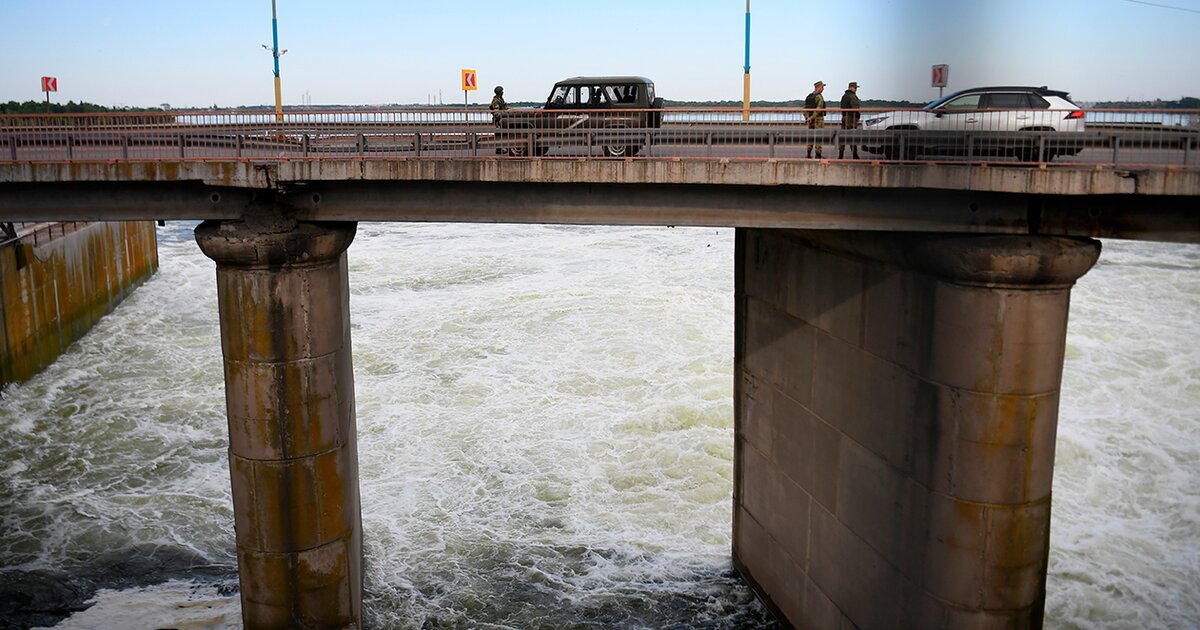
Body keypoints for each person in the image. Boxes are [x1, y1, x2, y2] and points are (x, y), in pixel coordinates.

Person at [804, 80, 826, 159]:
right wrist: (812, 117)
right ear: (818, 87)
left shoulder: (809, 96)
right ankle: (818, 154)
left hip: (810, 120)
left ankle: (808, 154)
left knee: (810, 136)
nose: (823, 89)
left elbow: (804, 109)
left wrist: (808, 118)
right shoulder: (819, 97)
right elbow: (818, 109)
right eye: (822, 87)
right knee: (818, 136)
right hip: (818, 119)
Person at [839, 81, 861, 159]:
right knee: (852, 137)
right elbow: (855, 108)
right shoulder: (852, 96)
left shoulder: (844, 96)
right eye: (855, 88)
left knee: (842, 137)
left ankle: (840, 155)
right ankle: (855, 155)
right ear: (853, 87)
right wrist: (858, 116)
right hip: (851, 118)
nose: (856, 89)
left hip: (844, 117)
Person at [490, 86, 508, 154]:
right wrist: (501, 116)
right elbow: (496, 111)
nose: (503, 92)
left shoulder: (500, 99)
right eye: (501, 91)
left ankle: (500, 148)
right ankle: (498, 149)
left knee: (501, 134)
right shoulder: (496, 100)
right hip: (498, 120)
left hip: (501, 119)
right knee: (498, 134)